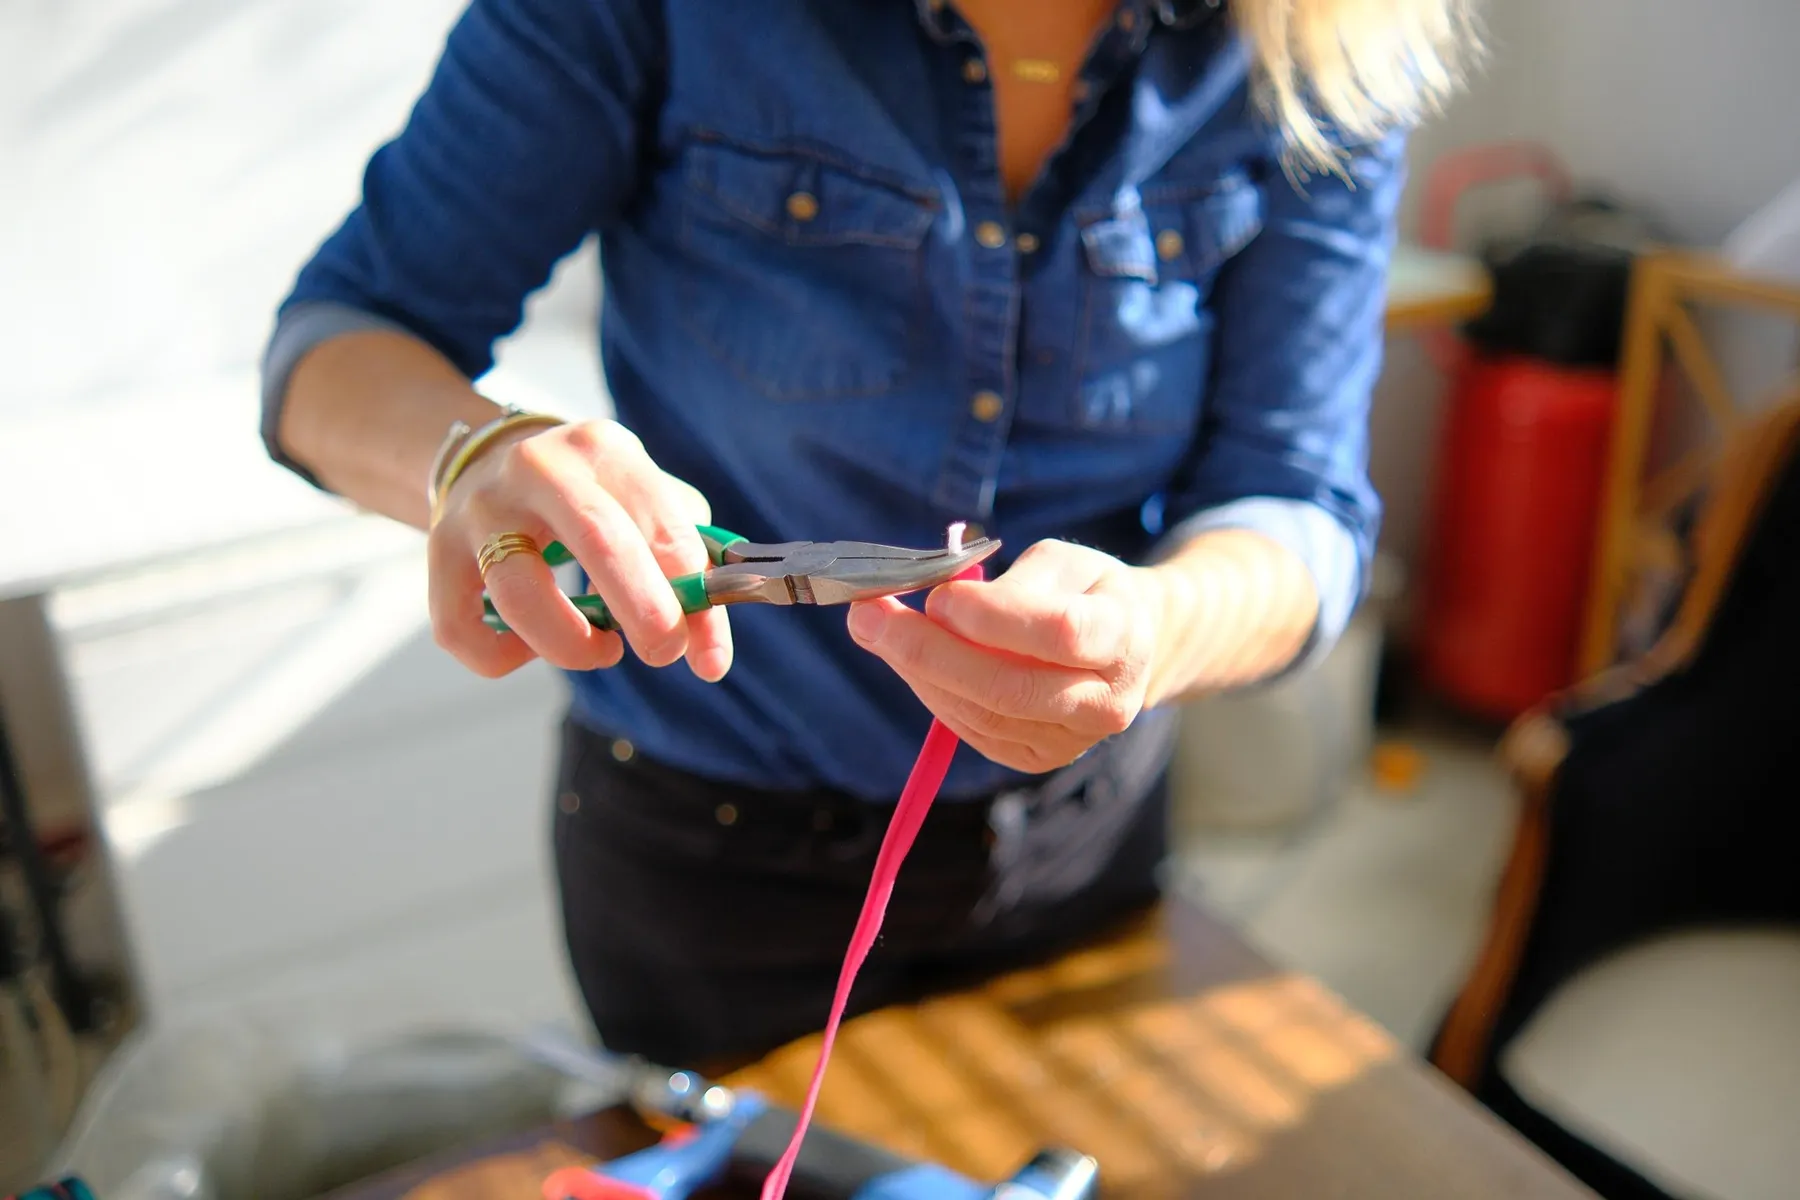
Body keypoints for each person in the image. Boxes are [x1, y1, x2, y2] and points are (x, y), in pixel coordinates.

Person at [262, 0, 1474, 1068]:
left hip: (1083, 853)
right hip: (707, 865)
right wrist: (470, 453)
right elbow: (336, 342)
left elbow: (1298, 505)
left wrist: (1156, 632)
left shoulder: (1319, 43)